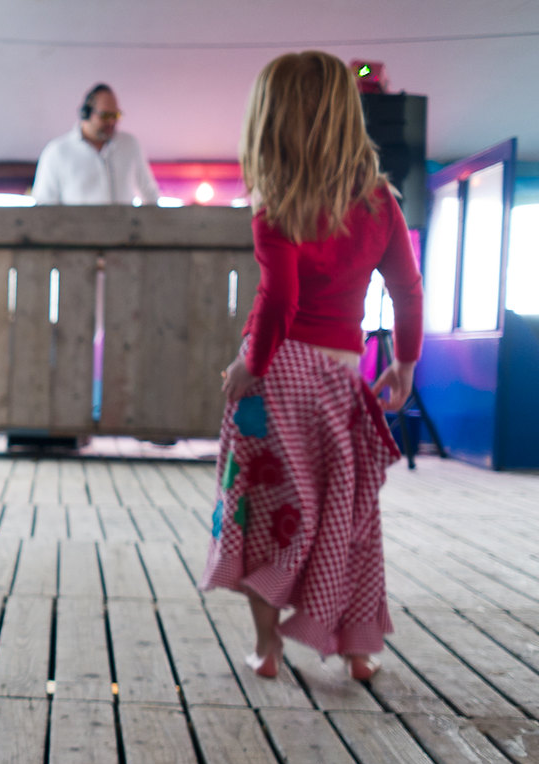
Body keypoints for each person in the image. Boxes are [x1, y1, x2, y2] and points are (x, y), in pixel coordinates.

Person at [200, 51, 422, 682]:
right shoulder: (380, 200)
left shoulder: (275, 202)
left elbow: (280, 300)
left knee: (256, 508)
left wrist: (251, 363)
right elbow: (408, 290)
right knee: (345, 512)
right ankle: (358, 650)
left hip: (274, 379)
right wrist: (403, 363)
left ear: (271, 120)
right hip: (338, 379)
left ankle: (267, 648)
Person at [31, 84, 161, 206]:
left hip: (124, 229)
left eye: (115, 115)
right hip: (75, 230)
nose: (111, 121)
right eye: (105, 116)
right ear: (85, 113)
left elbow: (149, 193)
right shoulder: (56, 152)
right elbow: (44, 205)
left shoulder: (130, 145)